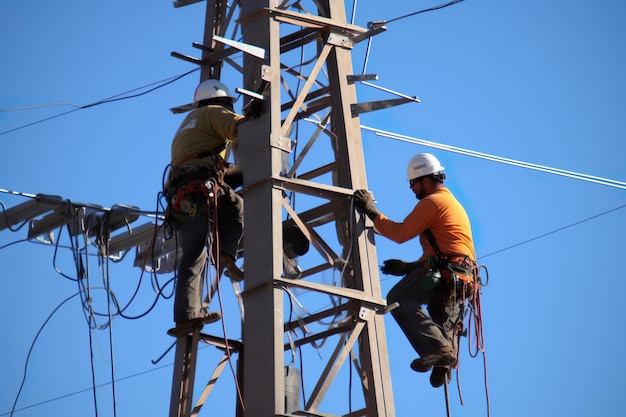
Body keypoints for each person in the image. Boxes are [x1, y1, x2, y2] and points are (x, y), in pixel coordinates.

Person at [353, 153, 477, 388]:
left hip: (449, 275)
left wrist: (371, 212)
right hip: (460, 279)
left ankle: (439, 350)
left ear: (425, 181)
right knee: (440, 318)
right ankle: (443, 359)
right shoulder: (451, 203)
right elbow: (441, 253)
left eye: (413, 183)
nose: (412, 189)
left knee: (398, 298)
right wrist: (408, 267)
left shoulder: (433, 202)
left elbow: (400, 233)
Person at [164, 79, 257, 333]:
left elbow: (214, 165)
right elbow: (240, 128)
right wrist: (254, 117)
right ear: (222, 102)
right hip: (200, 187)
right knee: (237, 206)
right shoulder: (215, 113)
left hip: (180, 198)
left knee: (193, 255)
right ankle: (225, 254)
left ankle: (185, 316)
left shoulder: (187, 124)